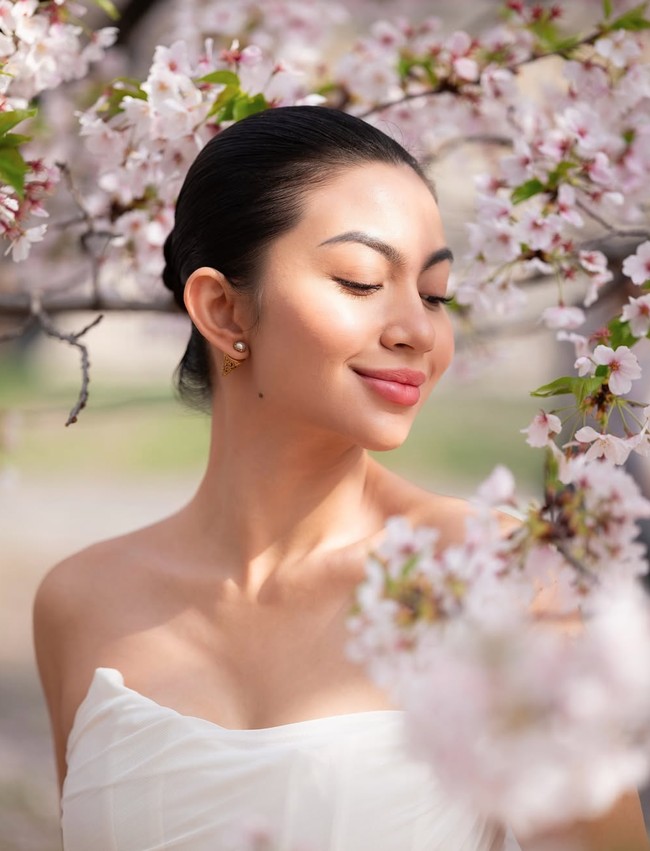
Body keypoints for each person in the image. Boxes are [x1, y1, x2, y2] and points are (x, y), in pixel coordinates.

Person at [33, 106, 649, 851]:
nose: (417, 330)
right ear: (223, 308)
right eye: (360, 281)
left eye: (434, 294)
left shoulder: (495, 573)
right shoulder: (81, 603)